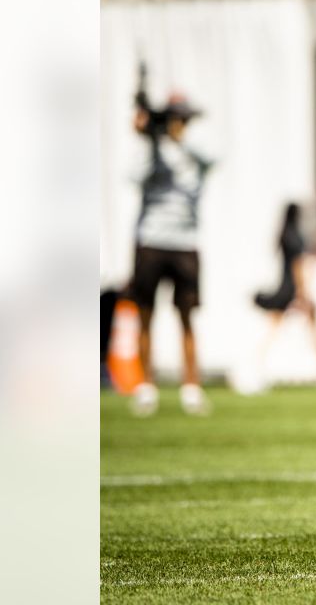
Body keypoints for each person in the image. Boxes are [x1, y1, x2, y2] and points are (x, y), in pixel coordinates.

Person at [128, 92, 215, 417]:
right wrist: (150, 140)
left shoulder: (194, 148)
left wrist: (176, 139)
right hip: (150, 240)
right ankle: (145, 386)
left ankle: (191, 386)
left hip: (186, 243)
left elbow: (213, 159)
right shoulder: (150, 149)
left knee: (187, 315)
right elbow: (132, 176)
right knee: (145, 315)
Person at [253, 203, 316, 367]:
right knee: (312, 324)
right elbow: (297, 265)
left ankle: (258, 360)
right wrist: (302, 290)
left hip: (284, 286)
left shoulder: (284, 235)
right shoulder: (295, 237)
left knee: (276, 326)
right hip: (292, 287)